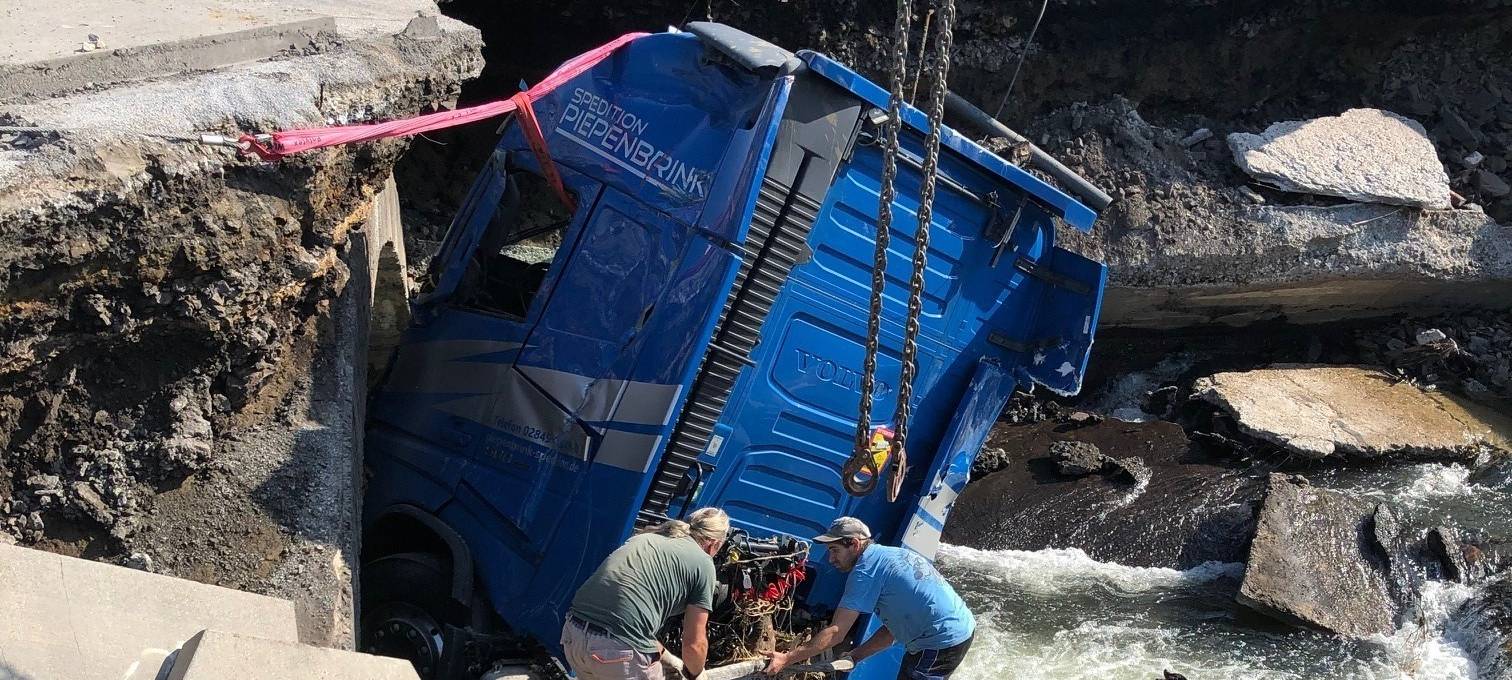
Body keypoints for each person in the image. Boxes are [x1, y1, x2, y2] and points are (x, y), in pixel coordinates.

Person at [764, 517, 975, 680]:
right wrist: (856, 655)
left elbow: (836, 632)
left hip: (940, 641)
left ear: (855, 544)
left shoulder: (865, 572)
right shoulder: (890, 555)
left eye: (835, 550)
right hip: (958, 629)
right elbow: (892, 630)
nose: (831, 559)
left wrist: (786, 658)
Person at [562, 507, 730, 680]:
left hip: (573, 634)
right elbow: (694, 644)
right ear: (714, 544)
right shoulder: (704, 562)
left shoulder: (646, 538)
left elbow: (627, 617)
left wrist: (668, 658)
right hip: (616, 652)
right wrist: (697, 673)